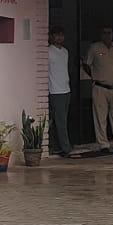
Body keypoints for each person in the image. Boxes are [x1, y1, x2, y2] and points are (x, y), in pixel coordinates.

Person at [82, 26, 113, 154]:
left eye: (109, 33)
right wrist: (94, 76)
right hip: (100, 87)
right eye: (104, 33)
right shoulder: (94, 48)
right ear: (100, 35)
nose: (107, 35)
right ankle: (103, 144)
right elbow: (86, 64)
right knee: (100, 118)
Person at [46, 25, 72, 157]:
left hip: (66, 89)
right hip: (55, 91)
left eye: (61, 35)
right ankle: (65, 148)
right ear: (51, 37)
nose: (59, 37)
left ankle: (59, 145)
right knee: (60, 121)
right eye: (56, 35)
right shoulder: (48, 52)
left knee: (63, 120)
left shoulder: (65, 52)